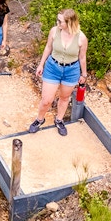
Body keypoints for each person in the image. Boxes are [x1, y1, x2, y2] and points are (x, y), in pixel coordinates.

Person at [28, 8, 88, 136]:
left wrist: (84, 74)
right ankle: (39, 119)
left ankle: (59, 120)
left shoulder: (81, 38)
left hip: (71, 70)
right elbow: (48, 47)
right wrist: (41, 64)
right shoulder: (55, 31)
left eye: (60, 21)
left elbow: (82, 57)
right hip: (53, 67)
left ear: (69, 22)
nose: (57, 23)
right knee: (46, 100)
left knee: (64, 98)